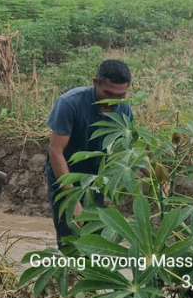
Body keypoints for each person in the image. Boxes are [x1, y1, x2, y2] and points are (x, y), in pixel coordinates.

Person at [45, 59, 133, 244]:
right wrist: (72, 199)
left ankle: (87, 273)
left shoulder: (124, 110)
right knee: (70, 236)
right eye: (108, 93)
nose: (113, 100)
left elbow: (127, 150)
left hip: (96, 178)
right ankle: (69, 272)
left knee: (94, 237)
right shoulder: (70, 103)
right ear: (96, 82)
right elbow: (55, 151)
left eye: (120, 95)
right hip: (66, 174)